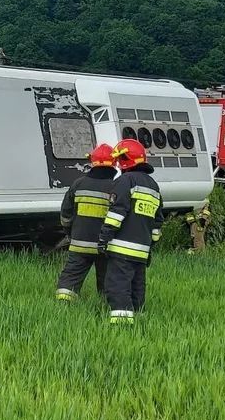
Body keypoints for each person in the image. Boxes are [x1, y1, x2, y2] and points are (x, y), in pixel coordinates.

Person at [97, 138, 164, 324]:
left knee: (117, 286)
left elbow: (116, 214)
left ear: (125, 160)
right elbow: (157, 222)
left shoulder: (125, 181)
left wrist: (104, 237)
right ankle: (139, 320)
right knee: (137, 287)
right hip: (142, 251)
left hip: (121, 249)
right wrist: (150, 247)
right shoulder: (153, 186)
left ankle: (121, 326)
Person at [54, 143, 117, 301]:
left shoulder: (78, 184)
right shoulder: (116, 187)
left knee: (70, 278)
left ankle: (63, 305)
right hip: (105, 246)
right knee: (108, 281)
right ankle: (105, 307)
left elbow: (66, 214)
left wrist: (69, 232)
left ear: (92, 163)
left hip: (79, 243)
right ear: (114, 164)